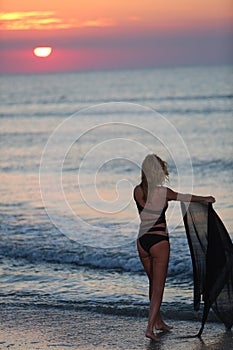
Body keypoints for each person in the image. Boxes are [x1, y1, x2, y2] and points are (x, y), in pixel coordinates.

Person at [133, 154, 215, 341]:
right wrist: (206, 198)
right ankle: (149, 328)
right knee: (159, 288)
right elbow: (187, 197)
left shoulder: (137, 191)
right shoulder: (164, 192)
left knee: (153, 284)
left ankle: (159, 322)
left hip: (142, 241)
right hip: (159, 242)